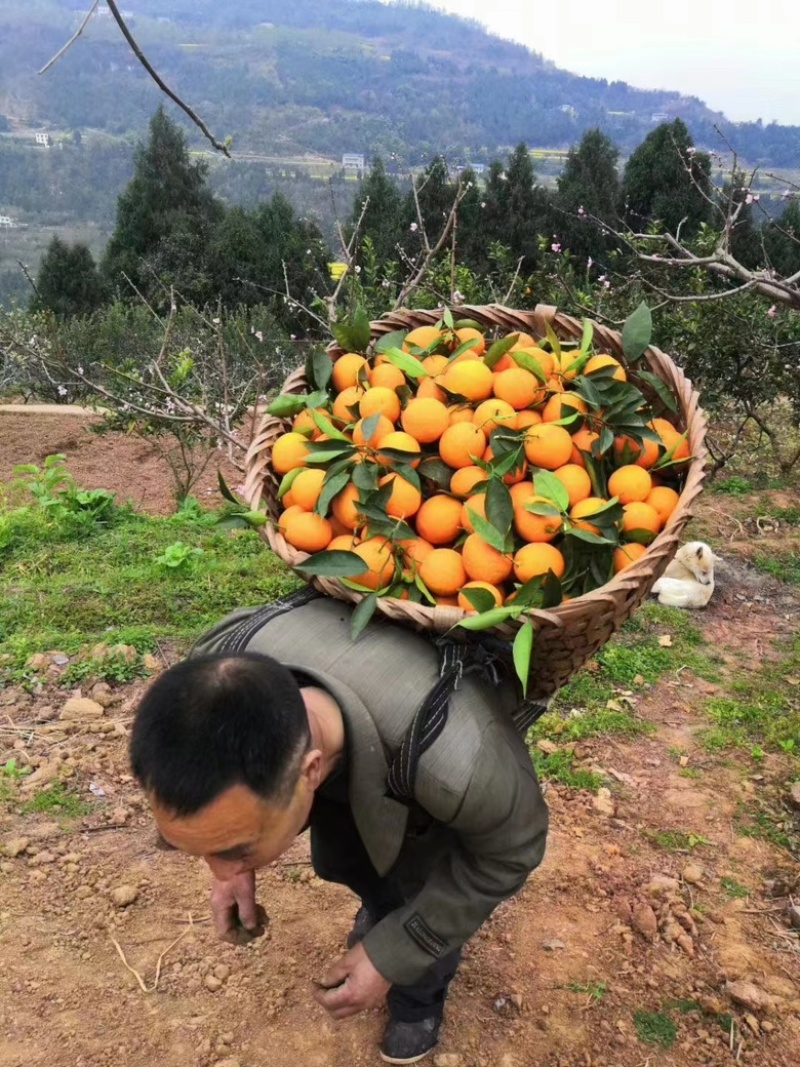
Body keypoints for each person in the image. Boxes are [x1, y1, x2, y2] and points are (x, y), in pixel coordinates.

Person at [130, 587, 549, 1065]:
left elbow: (512, 849)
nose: (220, 871)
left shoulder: (457, 762)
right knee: (357, 858)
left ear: (310, 772)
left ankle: (418, 1004)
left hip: (419, 756)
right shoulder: (213, 674)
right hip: (358, 746)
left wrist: (395, 951)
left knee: (421, 892)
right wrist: (234, 863)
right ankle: (377, 903)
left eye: (235, 849)